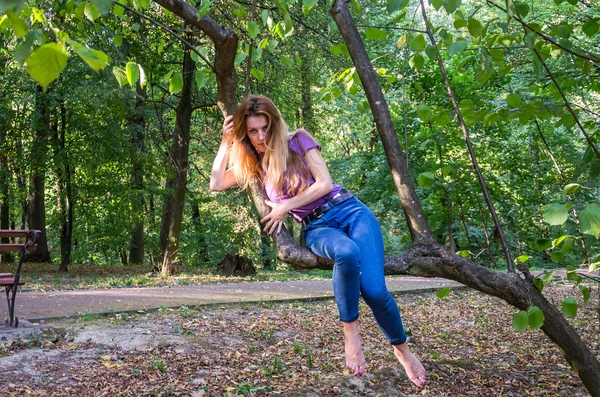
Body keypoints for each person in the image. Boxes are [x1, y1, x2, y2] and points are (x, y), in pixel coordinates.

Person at [210, 95, 426, 387]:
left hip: (352, 211)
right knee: (346, 253)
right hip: (317, 226)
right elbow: (216, 183)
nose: (260, 136)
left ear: (274, 124)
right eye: (252, 131)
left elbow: (323, 183)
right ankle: (351, 334)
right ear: (245, 133)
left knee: (375, 291)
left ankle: (403, 351)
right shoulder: (255, 162)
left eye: (264, 128)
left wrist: (284, 207)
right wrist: (226, 143)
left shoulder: (299, 140)